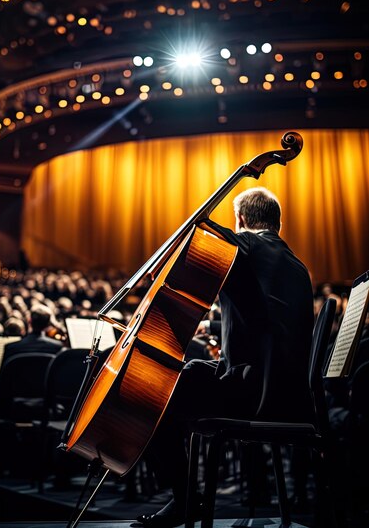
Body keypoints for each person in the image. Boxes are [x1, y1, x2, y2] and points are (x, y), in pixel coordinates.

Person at [135, 186, 315, 528]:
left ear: (241, 220)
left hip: (252, 395)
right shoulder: (298, 267)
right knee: (193, 371)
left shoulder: (242, 246)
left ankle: (186, 499)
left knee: (154, 395)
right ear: (279, 223)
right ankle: (186, 499)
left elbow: (196, 232)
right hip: (290, 397)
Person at [0, 302, 65, 367]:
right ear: (48, 324)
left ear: (29, 321)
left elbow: (3, 375)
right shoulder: (57, 348)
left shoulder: (11, 348)